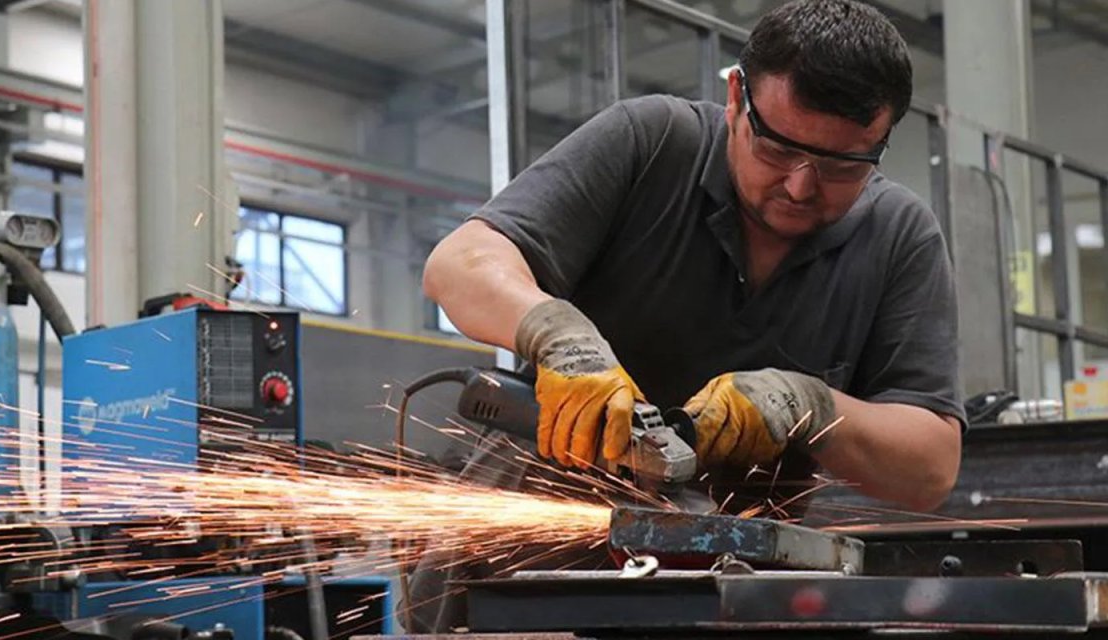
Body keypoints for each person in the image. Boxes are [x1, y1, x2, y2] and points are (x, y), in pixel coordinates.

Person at [409, 0, 965, 631]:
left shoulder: (899, 237)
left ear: (882, 139)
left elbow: (930, 469)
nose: (801, 186)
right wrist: (557, 335)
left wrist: (811, 407)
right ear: (736, 98)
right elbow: (458, 264)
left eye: (842, 166)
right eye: (778, 148)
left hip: (724, 598)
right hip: (519, 578)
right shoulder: (649, 143)